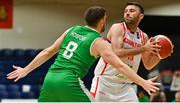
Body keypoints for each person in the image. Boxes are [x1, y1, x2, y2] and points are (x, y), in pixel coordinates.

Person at [7, 6, 160, 102]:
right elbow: (119, 65)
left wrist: (25, 70)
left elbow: (48, 51)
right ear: (101, 22)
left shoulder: (71, 30)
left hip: (50, 78)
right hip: (69, 81)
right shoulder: (99, 42)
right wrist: (142, 82)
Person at [90, 2, 164, 102]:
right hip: (105, 81)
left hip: (125, 86)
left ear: (141, 16)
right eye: (126, 11)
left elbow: (148, 65)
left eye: (132, 11)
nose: (127, 13)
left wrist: (161, 54)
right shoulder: (118, 28)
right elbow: (117, 52)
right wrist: (144, 48)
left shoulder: (143, 36)